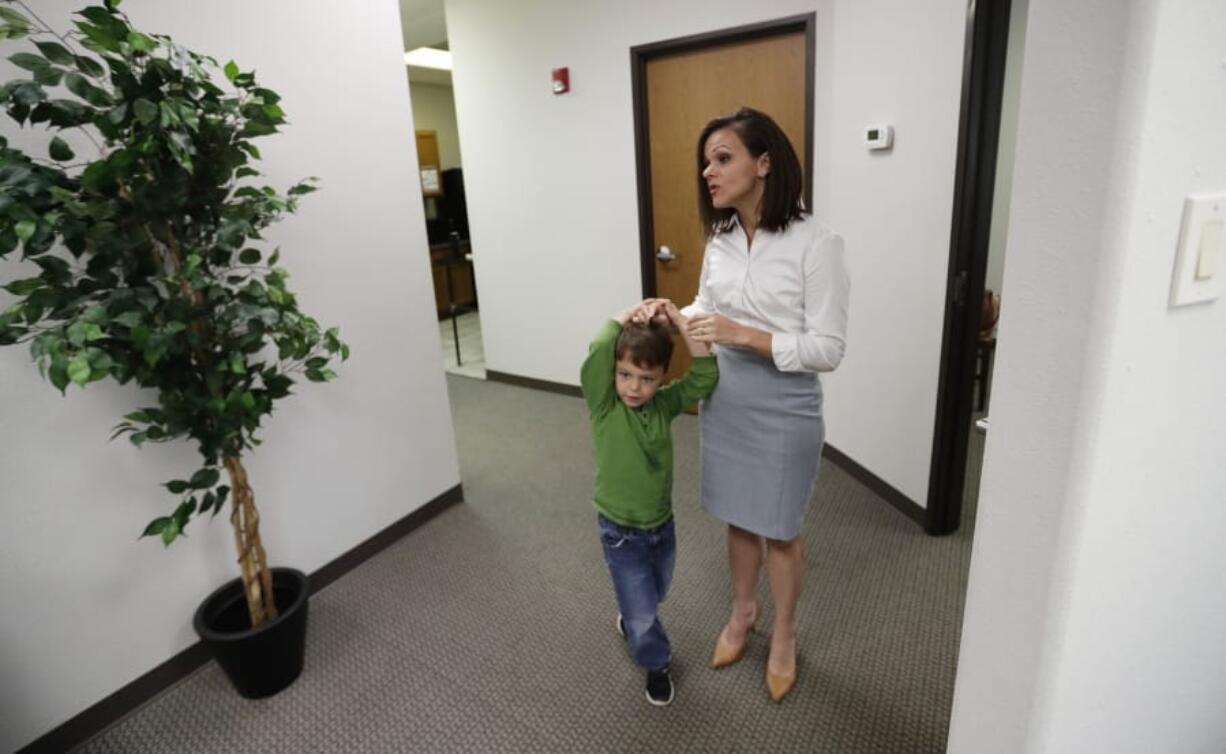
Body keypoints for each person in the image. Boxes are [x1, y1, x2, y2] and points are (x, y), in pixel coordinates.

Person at [649, 106, 850, 702]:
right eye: (706, 162)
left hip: (785, 403)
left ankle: (784, 634)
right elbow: (705, 308)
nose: (709, 172)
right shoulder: (721, 240)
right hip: (728, 396)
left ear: (764, 163)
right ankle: (743, 614)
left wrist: (744, 335)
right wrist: (667, 311)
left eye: (723, 158)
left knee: (781, 529)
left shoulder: (818, 242)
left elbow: (828, 348)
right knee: (739, 516)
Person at [580, 299, 718, 706]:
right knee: (643, 616)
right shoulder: (603, 404)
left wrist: (679, 321)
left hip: (661, 525)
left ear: (661, 378)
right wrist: (625, 316)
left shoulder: (664, 404)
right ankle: (656, 665)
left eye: (646, 378)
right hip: (619, 531)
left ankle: (633, 613)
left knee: (654, 593)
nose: (634, 388)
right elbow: (598, 349)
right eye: (624, 375)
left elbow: (706, 375)